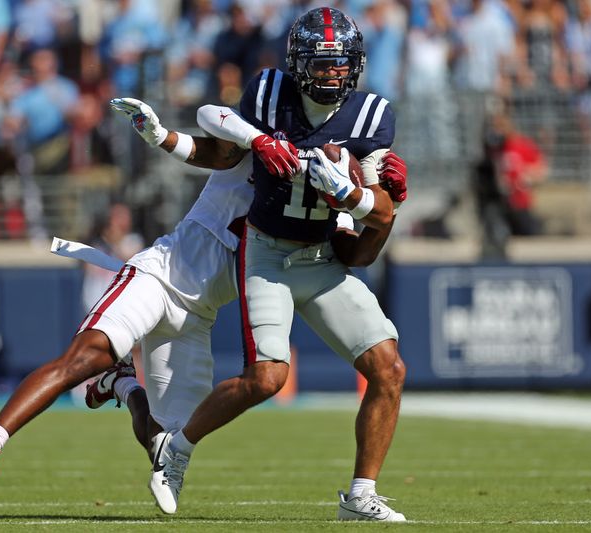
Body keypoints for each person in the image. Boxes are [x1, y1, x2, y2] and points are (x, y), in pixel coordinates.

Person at [0, 92, 407, 504]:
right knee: (85, 356)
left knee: (162, 445)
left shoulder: (325, 202)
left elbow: (354, 250)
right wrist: (165, 136)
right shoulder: (263, 152)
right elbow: (215, 124)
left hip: (197, 316)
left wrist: (374, 203)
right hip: (160, 273)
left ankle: (124, 384)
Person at [148, 7, 408, 522]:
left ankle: (360, 496)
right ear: (297, 62)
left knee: (389, 369)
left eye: (341, 63)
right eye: (322, 62)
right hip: (267, 251)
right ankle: (175, 448)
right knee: (265, 378)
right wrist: (258, 140)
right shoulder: (269, 93)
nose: (332, 73)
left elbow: (381, 213)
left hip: (323, 259)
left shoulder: (374, 116)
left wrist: (350, 193)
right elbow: (212, 119)